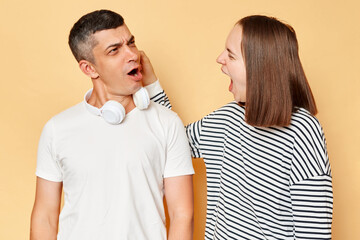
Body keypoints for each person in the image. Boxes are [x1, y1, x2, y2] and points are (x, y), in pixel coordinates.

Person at [144, 15, 333, 239]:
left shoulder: (302, 132)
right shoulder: (226, 119)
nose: (219, 58)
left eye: (231, 55)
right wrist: (151, 83)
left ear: (260, 68)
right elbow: (174, 139)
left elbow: (314, 233)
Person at [30, 10, 194, 240]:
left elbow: (182, 215)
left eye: (132, 43)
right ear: (90, 68)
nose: (132, 55)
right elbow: (44, 217)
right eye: (115, 50)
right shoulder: (57, 129)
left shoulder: (167, 123)